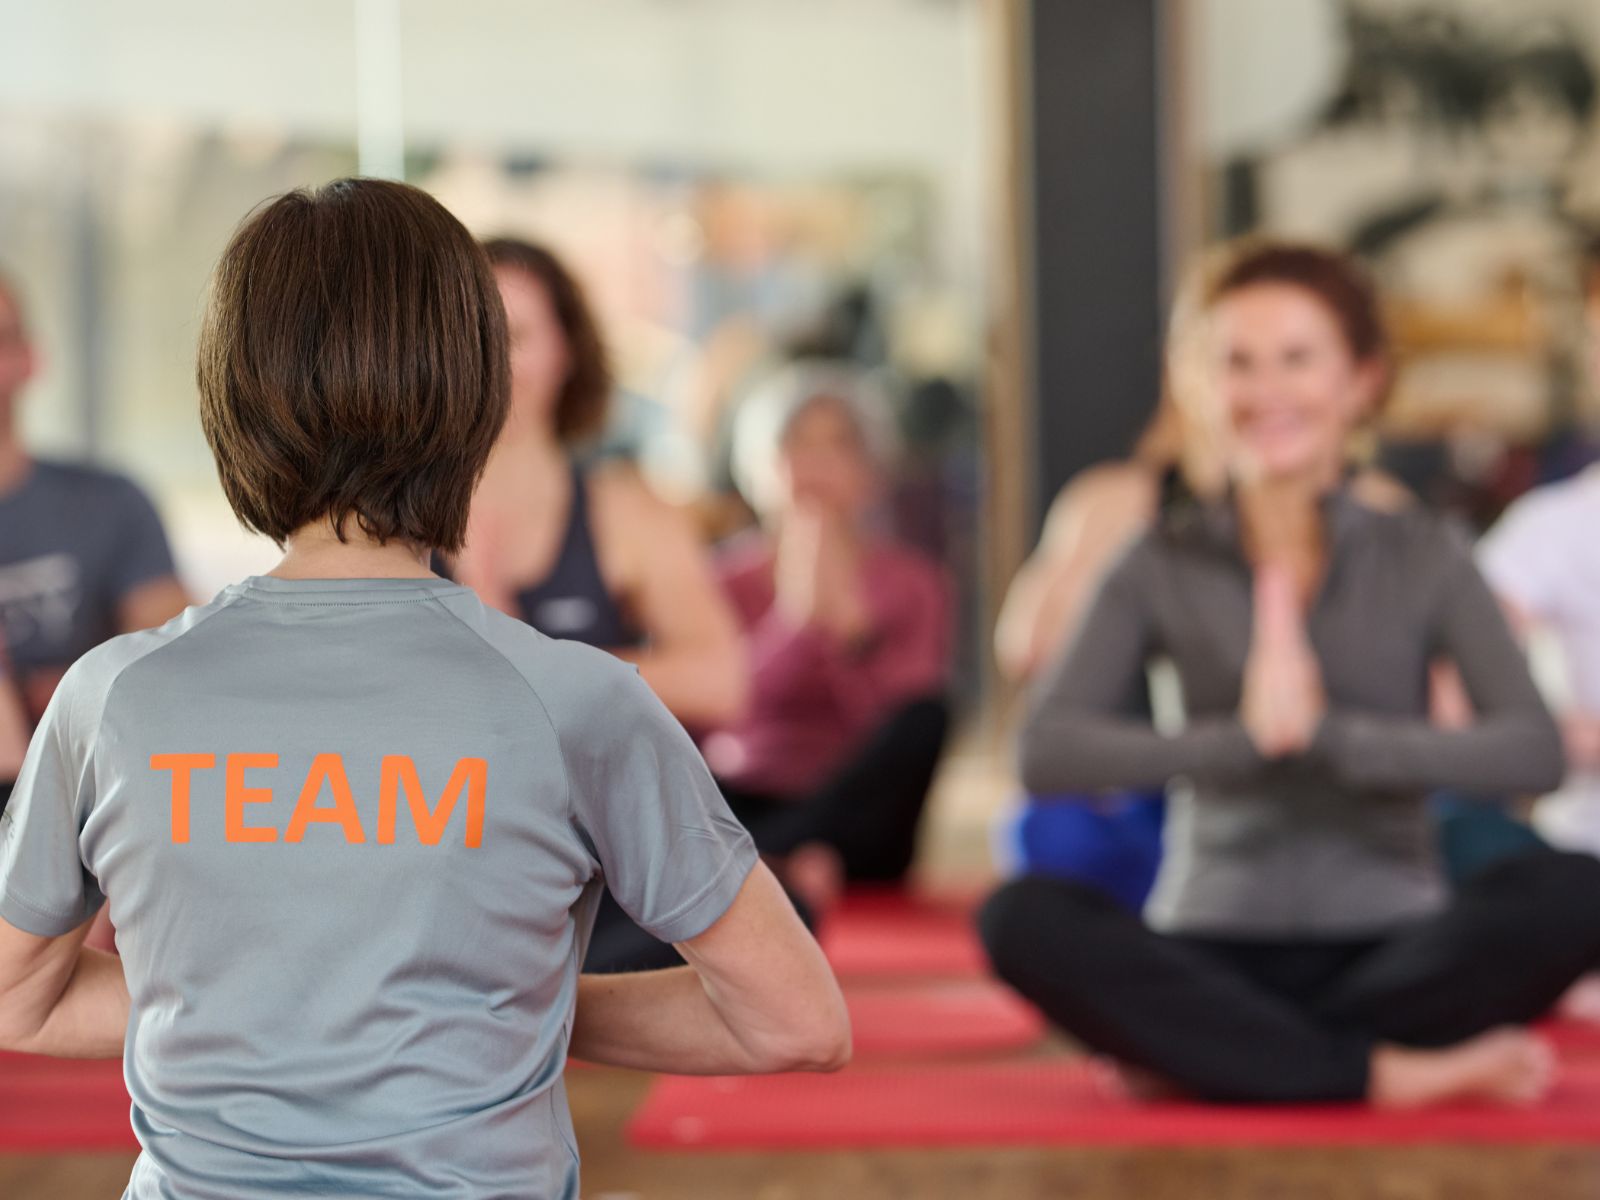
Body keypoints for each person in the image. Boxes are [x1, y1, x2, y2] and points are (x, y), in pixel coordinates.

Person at [0, 179, 849, 1199]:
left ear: (228, 402)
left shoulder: (111, 697)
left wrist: (281, 1001)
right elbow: (796, 1022)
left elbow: (21, 1002)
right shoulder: (577, 700)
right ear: (478, 400)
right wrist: (495, 1003)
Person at [980, 239, 1600, 1109]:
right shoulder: (1156, 560)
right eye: (1237, 363)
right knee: (1018, 917)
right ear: (1194, 384)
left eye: (1298, 359)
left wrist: (1332, 740)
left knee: (1575, 889)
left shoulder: (1425, 553)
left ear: (1361, 381)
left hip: (1397, 945)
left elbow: (1529, 752)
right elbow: (1047, 750)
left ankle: (1218, 1053)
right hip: (1210, 937)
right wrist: (1239, 744)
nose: (1268, 391)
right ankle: (1377, 1070)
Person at [447, 237, 746, 730]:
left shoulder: (622, 510)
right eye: (472, 337)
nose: (493, 362)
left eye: (517, 335)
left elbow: (720, 682)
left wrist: (547, 673)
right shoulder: (391, 514)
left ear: (567, 350)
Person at [704, 362, 951, 885]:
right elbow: (721, 704)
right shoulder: (720, 579)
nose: (815, 464)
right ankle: (792, 859)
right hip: (742, 795)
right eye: (796, 443)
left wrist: (851, 639)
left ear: (871, 471)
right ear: (760, 465)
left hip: (857, 812)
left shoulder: (914, 583)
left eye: (839, 446)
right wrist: (795, 625)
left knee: (928, 717)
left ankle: (779, 860)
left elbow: (897, 723)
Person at [0, 273, 187, 812]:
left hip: (87, 804)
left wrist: (70, 695)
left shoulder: (109, 504)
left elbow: (171, 668)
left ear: (29, 359)